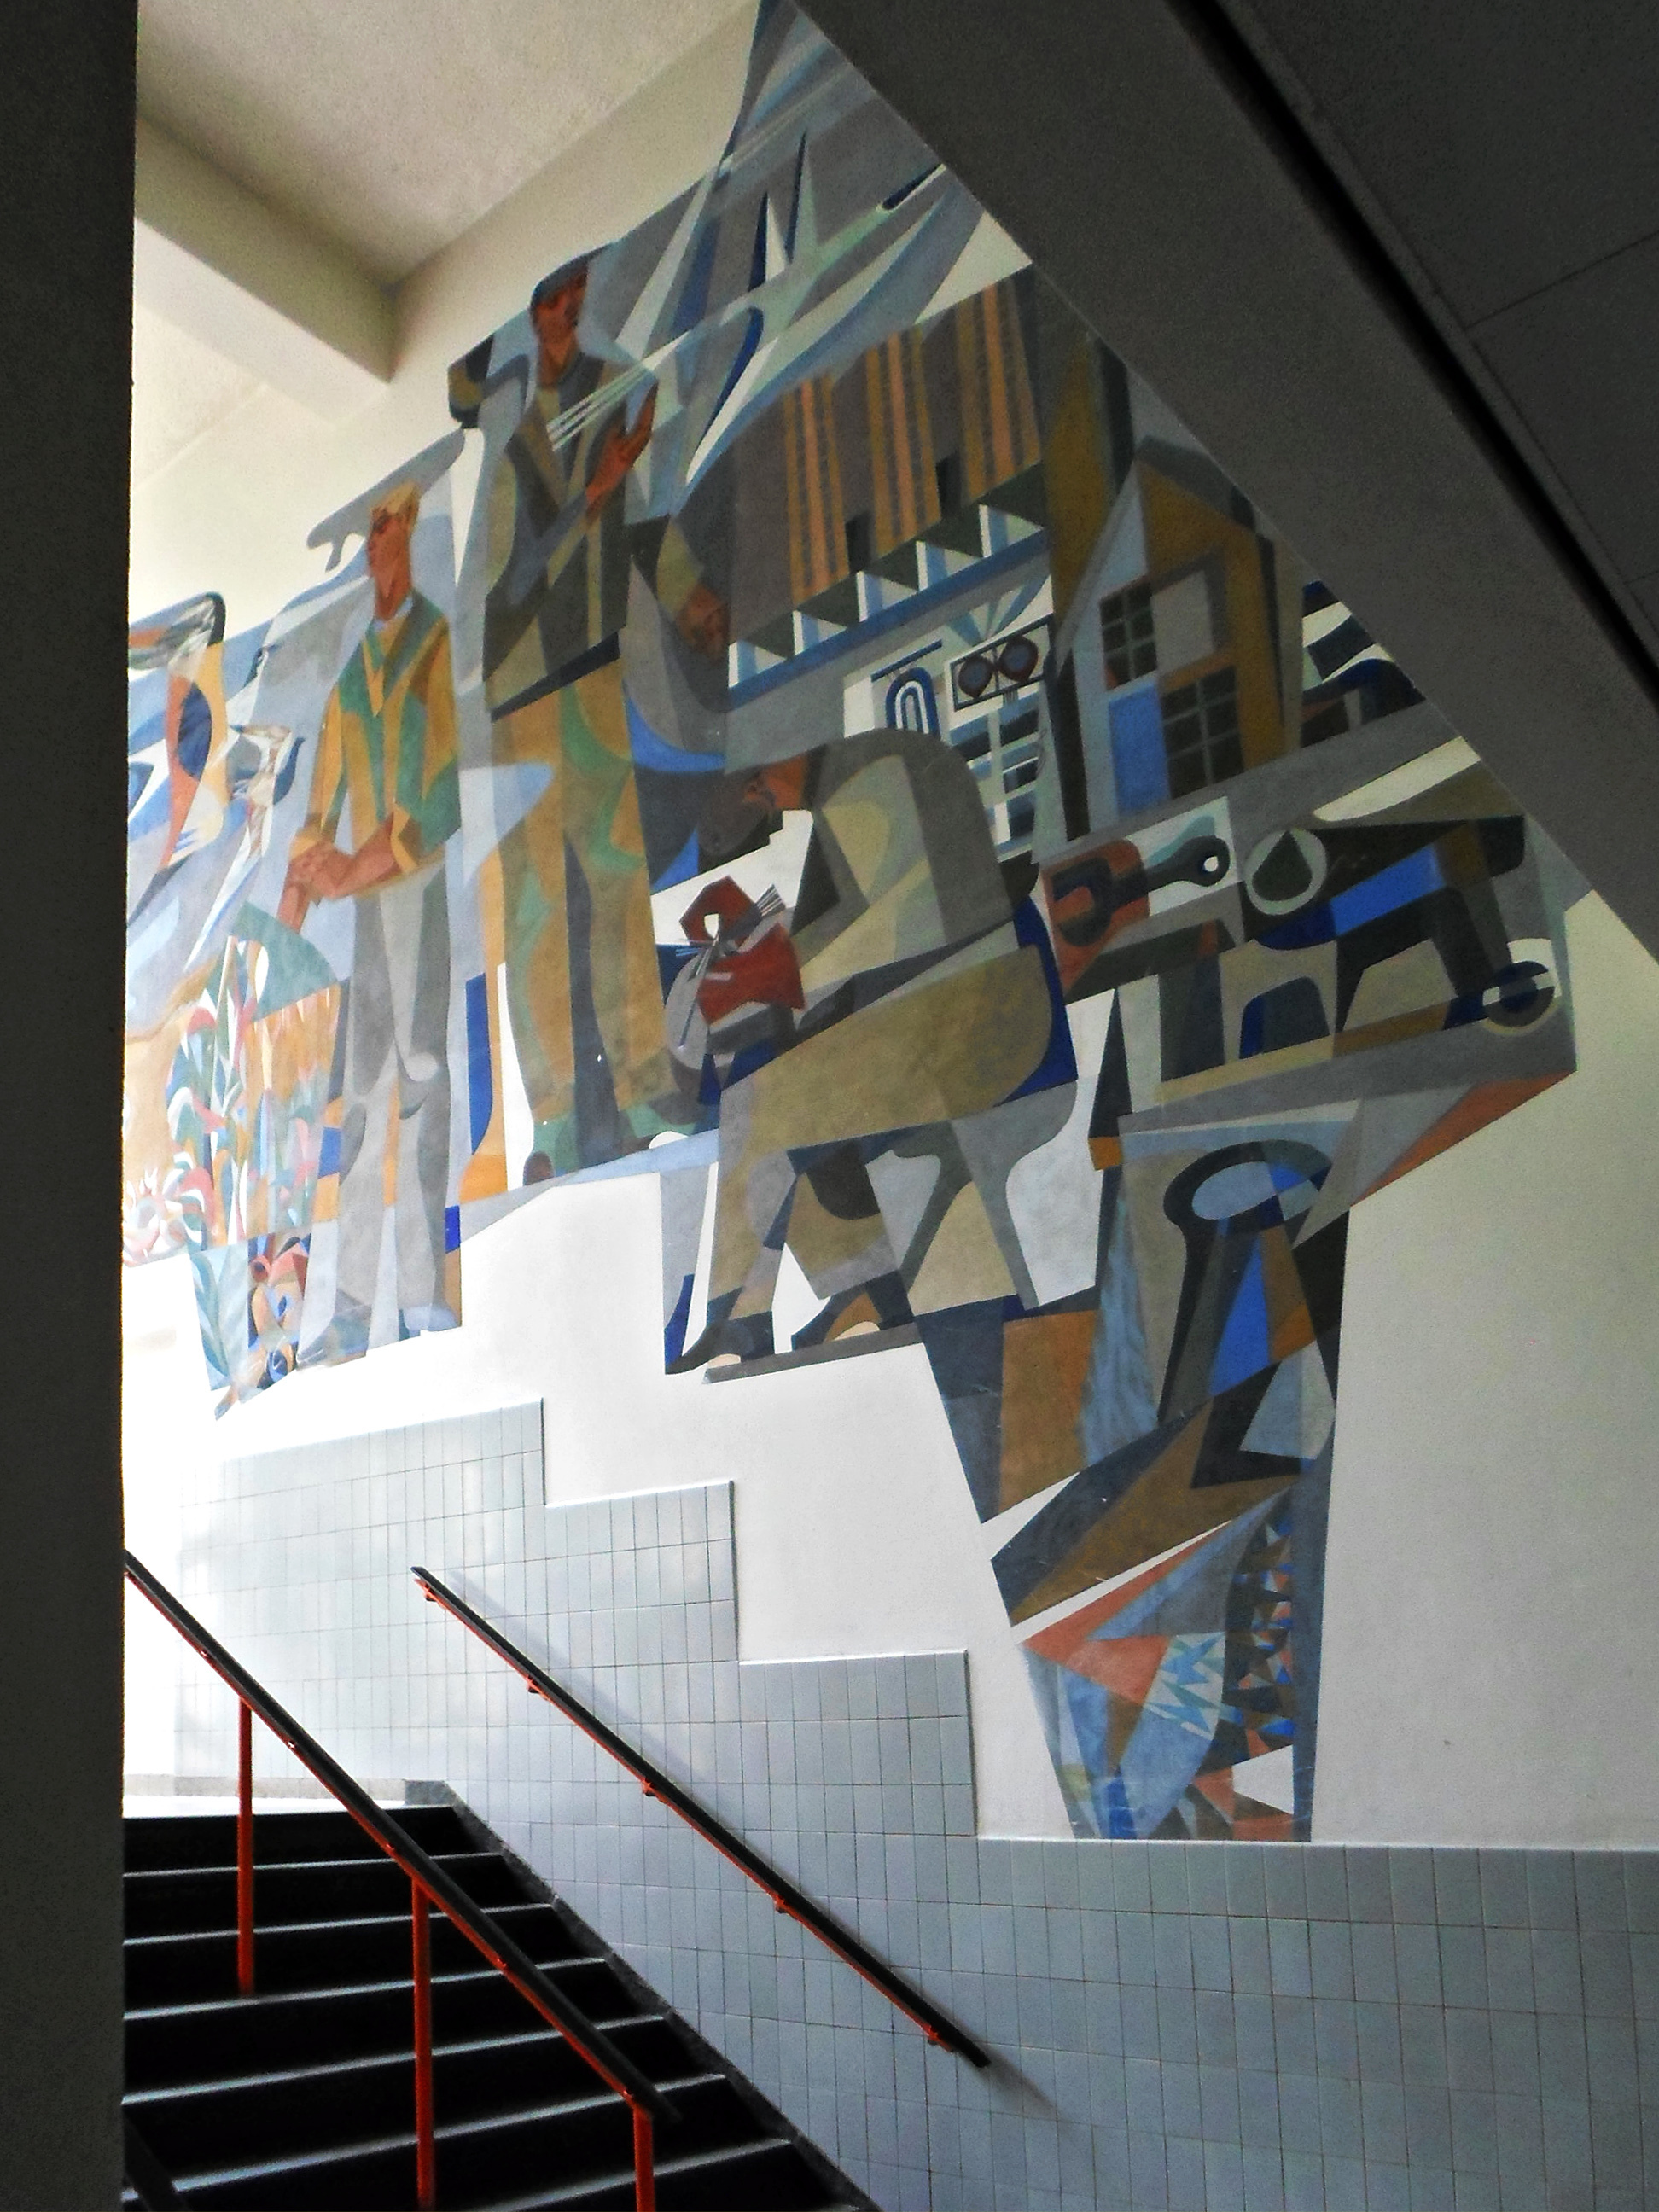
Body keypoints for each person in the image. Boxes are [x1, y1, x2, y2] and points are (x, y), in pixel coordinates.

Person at [671, 729, 1059, 1369]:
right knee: (767, 1098)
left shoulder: (871, 782)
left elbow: (888, 930)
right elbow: (843, 930)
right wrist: (759, 944)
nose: (774, 806)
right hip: (936, 1005)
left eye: (763, 794)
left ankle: (744, 1318)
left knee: (757, 1109)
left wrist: (765, 961)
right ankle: (865, 1291)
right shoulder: (859, 780)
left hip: (973, 1012)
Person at [482, 257, 681, 1177]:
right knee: (535, 910)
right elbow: (515, 581)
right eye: (552, 300)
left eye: (577, 297)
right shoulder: (515, 438)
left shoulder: (613, 401)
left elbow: (640, 528)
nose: (568, 311)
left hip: (593, 670)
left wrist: (686, 591)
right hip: (521, 688)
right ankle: (556, 1123)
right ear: (533, 316)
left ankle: (643, 1091)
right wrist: (595, 492)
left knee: (617, 883)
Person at [278, 483, 461, 1357]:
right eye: (369, 535)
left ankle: (422, 1299)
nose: (373, 548)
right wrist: (304, 880)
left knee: (421, 1078)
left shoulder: (435, 643)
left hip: (413, 893)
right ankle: (351, 1307)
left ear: (408, 535)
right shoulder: (353, 674)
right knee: (360, 1098)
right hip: (364, 915)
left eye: (384, 530)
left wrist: (361, 864)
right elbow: (322, 798)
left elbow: (440, 792)